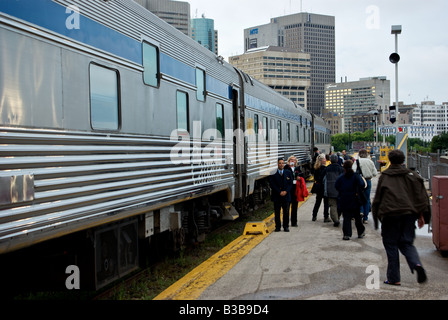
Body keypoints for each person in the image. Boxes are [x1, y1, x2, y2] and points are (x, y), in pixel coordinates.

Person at [372, 149, 430, 285]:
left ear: (390, 160)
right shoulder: (413, 176)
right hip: (409, 215)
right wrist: (423, 216)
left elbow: (378, 200)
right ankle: (417, 264)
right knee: (406, 243)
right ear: (403, 160)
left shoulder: (385, 176)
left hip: (390, 215)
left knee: (391, 244)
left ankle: (394, 278)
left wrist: (376, 219)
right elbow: (422, 197)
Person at [335, 160, 366, 240]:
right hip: (355, 199)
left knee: (346, 217)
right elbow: (362, 184)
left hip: (344, 199)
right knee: (357, 217)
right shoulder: (356, 176)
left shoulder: (341, 177)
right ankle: (360, 232)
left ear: (343, 167)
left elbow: (336, 186)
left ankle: (347, 234)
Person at [352, 149, 378, 224]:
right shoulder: (370, 162)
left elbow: (353, 171)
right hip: (368, 181)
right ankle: (365, 218)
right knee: (366, 199)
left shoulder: (356, 162)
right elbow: (375, 173)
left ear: (359, 154)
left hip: (359, 182)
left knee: (359, 197)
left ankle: (361, 211)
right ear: (366, 154)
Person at [269, 158, 293, 232]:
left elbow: (290, 183)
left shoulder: (288, 172)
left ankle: (286, 226)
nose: (281, 164)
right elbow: (272, 184)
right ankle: (278, 227)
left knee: (286, 212)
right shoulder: (273, 173)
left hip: (286, 196)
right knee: (277, 212)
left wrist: (286, 191)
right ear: (277, 164)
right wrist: (279, 191)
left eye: (283, 163)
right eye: (280, 163)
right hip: (277, 195)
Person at [323, 154, 344, 227]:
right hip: (339, 190)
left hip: (330, 189)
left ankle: (335, 220)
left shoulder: (327, 168)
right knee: (340, 205)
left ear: (330, 160)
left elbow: (323, 179)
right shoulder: (341, 169)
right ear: (337, 160)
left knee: (332, 205)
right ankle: (337, 217)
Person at [285, 156, 303, 227]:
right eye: (291, 160)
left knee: (295, 206)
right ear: (289, 161)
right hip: (289, 189)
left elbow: (302, 175)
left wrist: (299, 177)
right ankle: (286, 222)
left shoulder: (297, 168)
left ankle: (294, 222)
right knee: (286, 207)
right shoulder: (286, 168)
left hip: (296, 189)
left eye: (294, 160)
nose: (293, 161)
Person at [311, 154, 330, 222]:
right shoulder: (325, 168)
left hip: (318, 187)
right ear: (322, 160)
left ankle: (314, 215)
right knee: (326, 202)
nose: (325, 160)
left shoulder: (316, 168)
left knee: (318, 202)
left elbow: (316, 178)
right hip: (324, 187)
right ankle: (326, 216)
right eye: (324, 159)